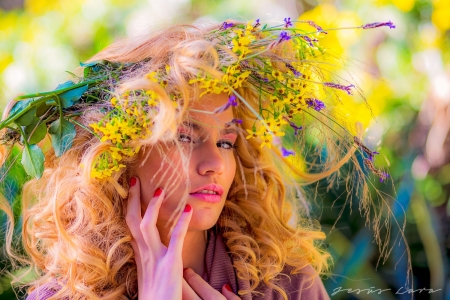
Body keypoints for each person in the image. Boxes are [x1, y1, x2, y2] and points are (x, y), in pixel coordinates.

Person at [0, 19, 393, 299]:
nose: (215, 165)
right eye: (186, 137)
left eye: (226, 142)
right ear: (122, 153)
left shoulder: (284, 282)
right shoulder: (66, 294)